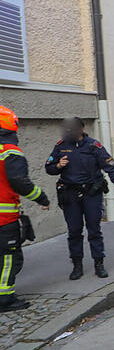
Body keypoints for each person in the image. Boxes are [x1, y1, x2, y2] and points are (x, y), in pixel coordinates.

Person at [45, 117, 114, 280]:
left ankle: (99, 264)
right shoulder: (61, 146)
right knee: (74, 231)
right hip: (70, 195)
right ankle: (77, 265)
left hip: (91, 194)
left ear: (81, 129)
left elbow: (110, 166)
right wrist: (58, 166)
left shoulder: (93, 145)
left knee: (94, 230)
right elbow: (49, 168)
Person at [0, 106, 51, 312]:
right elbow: (19, 181)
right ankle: (5, 299)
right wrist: (42, 198)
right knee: (8, 258)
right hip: (3, 219)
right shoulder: (9, 151)